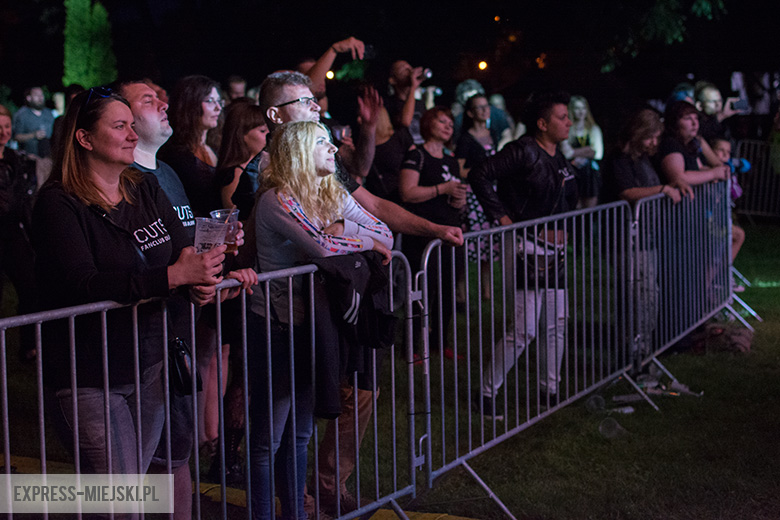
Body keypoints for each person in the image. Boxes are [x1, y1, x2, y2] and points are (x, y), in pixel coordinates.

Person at [31, 88, 226, 490]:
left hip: (148, 366)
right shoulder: (59, 203)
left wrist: (197, 286)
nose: (132, 135)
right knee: (122, 500)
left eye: (132, 126)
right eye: (119, 126)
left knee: (135, 490)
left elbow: (179, 253)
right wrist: (174, 278)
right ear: (84, 138)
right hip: (90, 374)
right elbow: (81, 283)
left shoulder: (144, 188)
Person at [248, 120, 393, 520]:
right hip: (276, 328)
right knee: (268, 440)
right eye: (322, 143)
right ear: (297, 152)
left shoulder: (329, 192)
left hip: (313, 328)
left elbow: (386, 233)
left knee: (300, 434)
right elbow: (323, 248)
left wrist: (348, 226)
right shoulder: (277, 200)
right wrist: (364, 240)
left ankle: (293, 513)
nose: (333, 149)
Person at [470, 91, 577, 417]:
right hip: (527, 248)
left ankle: (550, 390)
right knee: (525, 329)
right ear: (542, 124)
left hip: (555, 251)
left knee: (557, 323)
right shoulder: (523, 151)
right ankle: (486, 392)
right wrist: (502, 218)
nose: (569, 121)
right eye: (562, 117)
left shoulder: (559, 157)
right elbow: (480, 174)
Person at [601, 108, 683, 359]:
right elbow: (627, 191)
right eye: (651, 137)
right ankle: (632, 353)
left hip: (645, 238)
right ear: (638, 133)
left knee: (648, 294)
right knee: (636, 295)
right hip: (626, 239)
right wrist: (663, 189)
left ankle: (643, 349)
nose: (654, 143)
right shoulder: (619, 159)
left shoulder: (642, 158)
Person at [399, 107, 467, 356]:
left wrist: (458, 200)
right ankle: (412, 347)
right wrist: (442, 189)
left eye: (451, 122)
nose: (448, 126)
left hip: (448, 234)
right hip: (422, 234)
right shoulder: (417, 155)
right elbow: (407, 192)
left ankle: (440, 343)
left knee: (447, 290)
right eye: (442, 121)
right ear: (428, 124)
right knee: (420, 290)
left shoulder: (450, 159)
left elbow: (452, 193)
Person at [0, 104, 38, 361]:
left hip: (14, 234)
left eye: (6, 126)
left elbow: (23, 199)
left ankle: (29, 347)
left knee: (29, 288)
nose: (3, 132)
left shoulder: (16, 161)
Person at [455, 93, 500, 300]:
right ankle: (462, 292)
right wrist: (480, 172)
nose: (485, 110)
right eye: (479, 107)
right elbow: (459, 169)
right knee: (469, 244)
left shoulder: (493, 134)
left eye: (486, 106)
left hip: (491, 192)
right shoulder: (466, 139)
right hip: (474, 196)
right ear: (471, 113)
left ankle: (487, 291)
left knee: (488, 244)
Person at [160, 75, 224, 216]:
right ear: (190, 105)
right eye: (209, 101)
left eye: (219, 101)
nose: (218, 108)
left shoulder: (216, 147)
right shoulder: (175, 155)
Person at [217, 101, 269, 215]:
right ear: (241, 135)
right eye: (263, 131)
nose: (269, 134)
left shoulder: (256, 167)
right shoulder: (234, 175)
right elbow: (237, 217)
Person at [560, 95, 603, 208]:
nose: (580, 111)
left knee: (589, 208)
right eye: (577, 108)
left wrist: (575, 152)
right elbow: (566, 153)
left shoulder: (593, 129)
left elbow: (598, 153)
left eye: (583, 108)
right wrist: (588, 150)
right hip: (572, 173)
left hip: (590, 176)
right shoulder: (568, 129)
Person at [13, 86, 57, 158]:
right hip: (30, 158)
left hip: (48, 158)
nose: (40, 98)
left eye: (41, 95)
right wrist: (33, 135)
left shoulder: (49, 114)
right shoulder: (22, 115)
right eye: (36, 95)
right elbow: (16, 137)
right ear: (29, 98)